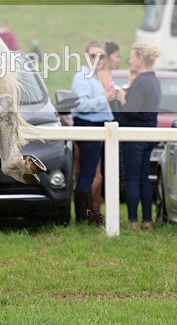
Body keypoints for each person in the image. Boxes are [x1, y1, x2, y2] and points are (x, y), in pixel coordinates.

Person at [70, 41, 118, 224]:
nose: (98, 59)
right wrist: (104, 98)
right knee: (89, 173)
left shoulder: (97, 77)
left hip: (100, 126)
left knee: (97, 172)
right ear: (86, 57)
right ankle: (85, 216)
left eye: (102, 56)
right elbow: (80, 105)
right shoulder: (83, 77)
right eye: (93, 55)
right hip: (89, 126)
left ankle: (92, 214)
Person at [115, 43, 161, 231]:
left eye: (132, 57)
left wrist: (122, 100)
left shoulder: (141, 81)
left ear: (140, 59)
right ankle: (147, 220)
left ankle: (133, 220)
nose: (129, 60)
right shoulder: (154, 80)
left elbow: (131, 111)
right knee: (143, 177)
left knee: (132, 178)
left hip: (135, 134)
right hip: (149, 133)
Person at [91, 40, 122, 217]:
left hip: (107, 125)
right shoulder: (103, 74)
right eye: (116, 56)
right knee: (100, 172)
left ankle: (96, 209)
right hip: (104, 126)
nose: (118, 60)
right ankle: (94, 210)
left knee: (102, 171)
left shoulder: (104, 74)